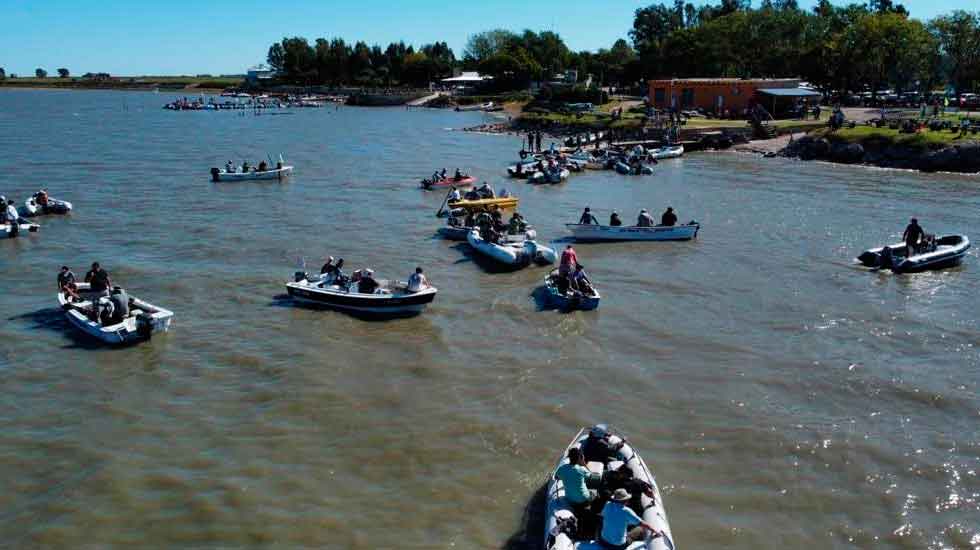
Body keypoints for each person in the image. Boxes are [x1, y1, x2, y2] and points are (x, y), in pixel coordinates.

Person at [554, 448, 598, 520]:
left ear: (569, 457)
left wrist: (567, 478)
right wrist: (583, 464)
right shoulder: (581, 469)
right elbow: (592, 477)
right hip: (584, 499)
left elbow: (556, 477)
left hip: (570, 499)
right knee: (595, 493)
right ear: (579, 458)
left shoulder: (562, 468)